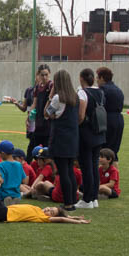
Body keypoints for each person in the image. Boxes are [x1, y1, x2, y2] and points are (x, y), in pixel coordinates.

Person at [45, 69, 80, 211]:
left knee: (63, 172)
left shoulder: (57, 98)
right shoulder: (75, 97)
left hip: (60, 138)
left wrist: (49, 97)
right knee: (70, 171)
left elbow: (47, 113)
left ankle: (68, 203)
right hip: (72, 137)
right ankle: (72, 201)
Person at [75, 68, 106, 210]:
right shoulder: (100, 92)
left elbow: (81, 115)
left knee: (86, 167)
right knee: (94, 166)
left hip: (86, 133)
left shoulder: (83, 93)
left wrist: (76, 125)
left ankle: (87, 199)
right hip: (98, 131)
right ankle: (94, 198)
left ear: (81, 78)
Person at [8, 64, 53, 160]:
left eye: (46, 74)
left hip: (48, 124)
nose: (44, 77)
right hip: (38, 124)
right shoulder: (37, 88)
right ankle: (29, 166)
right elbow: (34, 104)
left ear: (49, 74)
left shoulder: (51, 86)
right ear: (38, 75)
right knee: (31, 150)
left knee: (47, 152)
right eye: (42, 75)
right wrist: (29, 118)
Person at [96, 66, 125, 159]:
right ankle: (115, 168)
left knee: (104, 151)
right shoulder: (118, 90)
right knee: (114, 152)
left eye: (97, 77)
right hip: (119, 119)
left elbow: (99, 106)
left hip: (108, 120)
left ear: (102, 78)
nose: (96, 80)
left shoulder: (103, 90)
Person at [0, 204, 90, 224]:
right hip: (3, 209)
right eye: (50, 208)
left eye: (51, 212)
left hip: (3, 214)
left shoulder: (41, 217)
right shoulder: (38, 209)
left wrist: (79, 222)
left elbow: (62, 219)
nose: (48, 210)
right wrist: (74, 217)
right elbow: (64, 216)